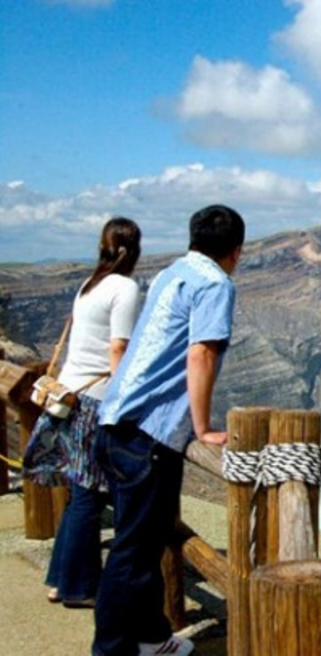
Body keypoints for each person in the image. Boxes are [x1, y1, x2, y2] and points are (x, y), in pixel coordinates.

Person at [91, 205, 244, 656]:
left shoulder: (168, 273)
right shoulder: (216, 283)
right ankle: (113, 649)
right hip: (150, 433)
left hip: (117, 419)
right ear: (236, 251)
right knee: (134, 554)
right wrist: (202, 427)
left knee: (145, 541)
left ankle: (153, 638)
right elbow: (201, 354)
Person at [30, 217, 143, 610]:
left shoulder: (88, 285)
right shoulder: (125, 288)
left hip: (72, 395)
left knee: (82, 492)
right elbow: (118, 350)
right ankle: (78, 588)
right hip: (96, 401)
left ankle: (60, 580)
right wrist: (127, 402)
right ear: (135, 250)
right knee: (89, 496)